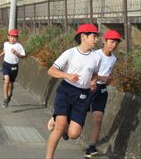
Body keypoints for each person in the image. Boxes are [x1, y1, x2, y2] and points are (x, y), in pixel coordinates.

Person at [46, 24, 102, 159]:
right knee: (60, 127)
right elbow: (51, 70)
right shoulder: (70, 53)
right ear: (83, 37)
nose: (96, 40)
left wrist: (93, 82)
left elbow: (94, 74)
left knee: (74, 134)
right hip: (66, 90)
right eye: (94, 36)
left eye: (96, 37)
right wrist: (67, 75)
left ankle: (58, 120)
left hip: (83, 95)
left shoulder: (96, 57)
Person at [84, 30, 121, 158]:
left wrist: (108, 79)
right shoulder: (95, 55)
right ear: (104, 41)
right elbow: (86, 72)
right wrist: (101, 78)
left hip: (102, 91)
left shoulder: (114, 59)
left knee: (98, 118)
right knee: (80, 113)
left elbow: (108, 75)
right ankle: (65, 128)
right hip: (90, 88)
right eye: (111, 42)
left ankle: (91, 147)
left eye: (116, 43)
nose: (114, 45)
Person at [0, 29, 26, 108]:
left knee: (11, 84)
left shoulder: (19, 46)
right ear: (8, 37)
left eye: (15, 37)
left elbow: (23, 56)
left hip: (14, 67)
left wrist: (16, 53)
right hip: (6, 65)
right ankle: (5, 98)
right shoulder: (6, 44)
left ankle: (10, 94)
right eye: (11, 37)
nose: (13, 39)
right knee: (6, 80)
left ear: (17, 38)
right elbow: (5, 51)